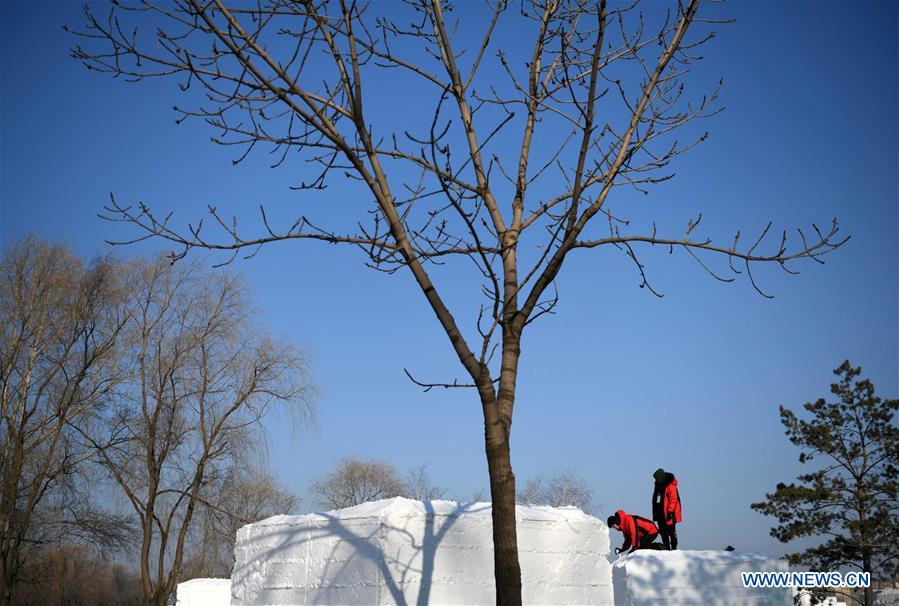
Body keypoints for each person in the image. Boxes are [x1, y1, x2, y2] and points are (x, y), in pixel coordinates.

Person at [651, 467, 682, 550]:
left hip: (669, 513)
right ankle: (667, 548)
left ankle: (674, 548)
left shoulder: (670, 485)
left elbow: (673, 499)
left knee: (671, 531)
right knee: (662, 532)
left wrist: (670, 511)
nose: (656, 480)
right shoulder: (658, 485)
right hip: (660, 513)